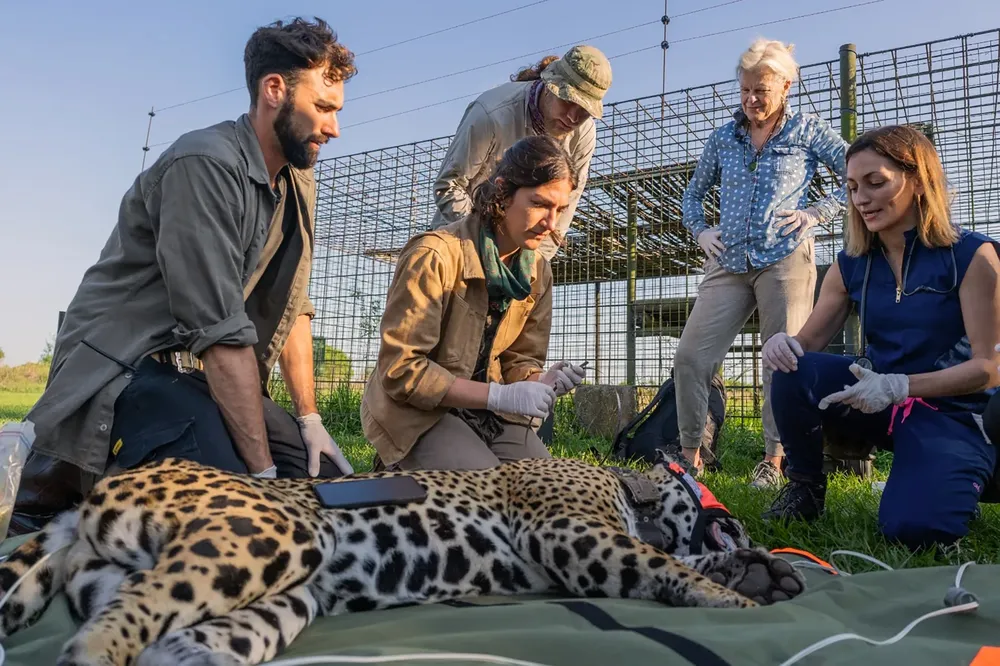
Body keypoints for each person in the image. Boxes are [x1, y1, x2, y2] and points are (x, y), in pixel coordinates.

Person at [10, 17, 357, 535]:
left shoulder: (297, 179)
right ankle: (44, 497)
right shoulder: (204, 165)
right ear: (274, 90)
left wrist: (309, 419)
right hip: (125, 369)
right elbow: (219, 336)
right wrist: (258, 478)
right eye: (323, 108)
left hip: (194, 374)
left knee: (324, 484)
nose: (334, 128)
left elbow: (293, 305)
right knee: (234, 512)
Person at [761, 124, 1000, 551]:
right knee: (795, 368)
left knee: (915, 531)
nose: (861, 198)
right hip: (879, 402)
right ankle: (804, 487)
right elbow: (809, 342)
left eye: (876, 183)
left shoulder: (973, 255)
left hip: (952, 413)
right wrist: (785, 344)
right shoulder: (851, 262)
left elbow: (990, 367)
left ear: (919, 181)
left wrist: (902, 385)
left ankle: (967, 474)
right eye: (852, 187)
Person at [675, 38, 850, 488]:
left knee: (781, 360)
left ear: (787, 86)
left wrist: (817, 213)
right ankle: (689, 458)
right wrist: (700, 230)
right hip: (728, 259)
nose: (752, 100)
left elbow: (857, 170)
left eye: (762, 91)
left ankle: (773, 463)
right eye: (746, 90)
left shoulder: (807, 131)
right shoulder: (723, 137)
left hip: (785, 258)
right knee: (692, 356)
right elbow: (692, 195)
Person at [363, 135, 588, 471]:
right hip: (419, 411)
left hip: (489, 414)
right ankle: (398, 469)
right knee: (489, 491)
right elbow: (401, 371)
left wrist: (539, 380)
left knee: (554, 485)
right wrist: (499, 396)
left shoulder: (538, 271)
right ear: (502, 192)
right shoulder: (434, 255)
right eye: (540, 203)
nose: (551, 224)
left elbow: (520, 358)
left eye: (560, 209)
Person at [430, 45, 612, 260]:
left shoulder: (583, 134)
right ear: (550, 85)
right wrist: (487, 244)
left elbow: (568, 202)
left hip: (521, 254)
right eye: (568, 101)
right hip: (459, 241)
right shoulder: (490, 114)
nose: (573, 117)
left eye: (584, 111)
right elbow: (449, 184)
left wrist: (536, 263)